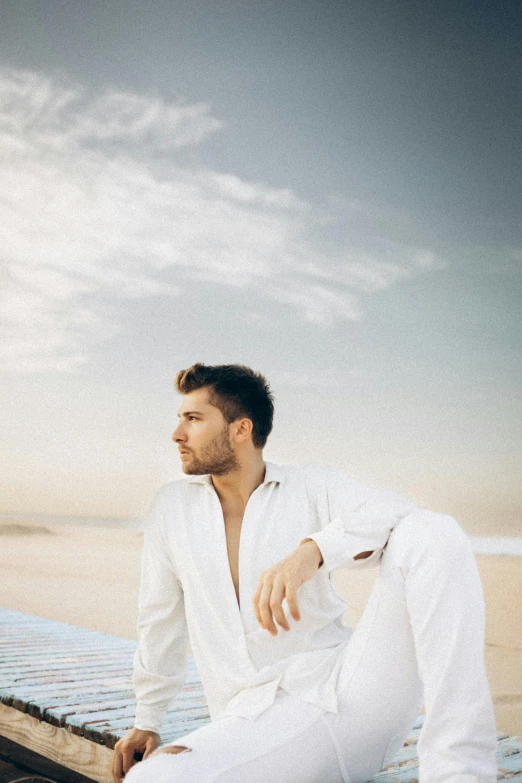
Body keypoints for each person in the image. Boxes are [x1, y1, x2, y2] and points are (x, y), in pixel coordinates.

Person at [111, 363, 497, 783]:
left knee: (432, 531)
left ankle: (460, 773)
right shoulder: (172, 508)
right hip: (256, 725)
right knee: (151, 780)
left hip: (354, 692)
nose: (177, 434)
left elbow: (396, 511)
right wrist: (147, 719)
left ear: (241, 429)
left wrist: (313, 551)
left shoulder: (312, 486)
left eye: (193, 419)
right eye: (180, 418)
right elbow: (160, 619)